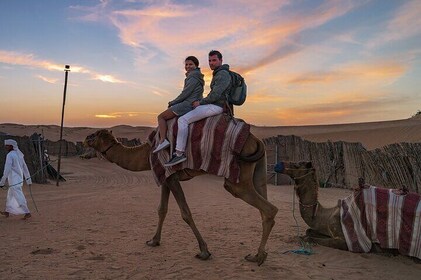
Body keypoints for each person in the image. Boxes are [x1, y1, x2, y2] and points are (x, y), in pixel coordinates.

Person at [165, 50, 231, 166]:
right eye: (210, 60)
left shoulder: (222, 74)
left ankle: (179, 153)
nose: (211, 63)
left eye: (214, 60)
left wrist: (200, 102)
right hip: (215, 104)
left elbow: (215, 95)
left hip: (216, 106)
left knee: (183, 120)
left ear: (221, 60)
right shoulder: (218, 73)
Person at [152, 56, 205, 153]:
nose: (188, 66)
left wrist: (173, 102)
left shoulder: (193, 77)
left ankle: (163, 140)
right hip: (192, 102)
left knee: (161, 117)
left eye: (190, 64)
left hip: (187, 104)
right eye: (186, 64)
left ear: (196, 65)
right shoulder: (197, 76)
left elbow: (185, 93)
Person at [0, 139, 32, 220]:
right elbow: (25, 167)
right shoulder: (19, 154)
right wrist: (28, 180)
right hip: (17, 179)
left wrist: (2, 182)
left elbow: (6, 169)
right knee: (10, 196)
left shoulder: (10, 155)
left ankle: (27, 212)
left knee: (18, 196)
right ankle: (7, 211)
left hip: (14, 180)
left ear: (11, 146)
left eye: (7, 145)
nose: (6, 147)